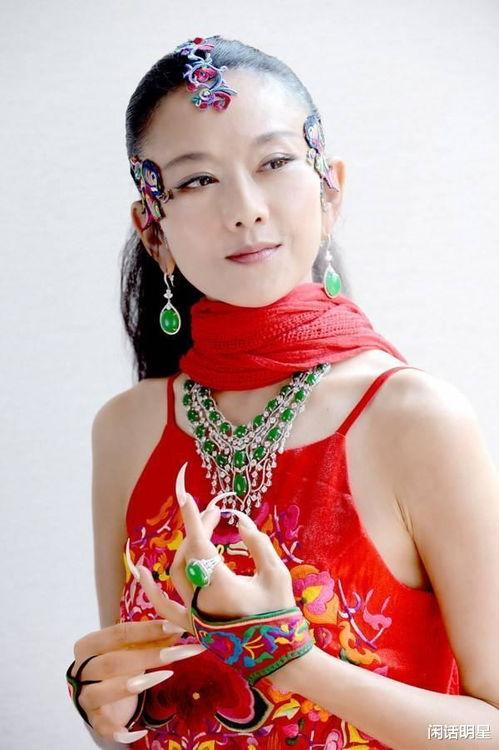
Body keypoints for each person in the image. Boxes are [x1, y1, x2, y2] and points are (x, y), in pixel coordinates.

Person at [66, 35, 499, 749]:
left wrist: (293, 661)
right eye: (197, 181)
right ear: (153, 230)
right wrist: (101, 705)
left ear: (330, 189)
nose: (245, 208)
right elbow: (130, 724)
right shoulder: (125, 428)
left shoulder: (415, 420)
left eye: (273, 163)